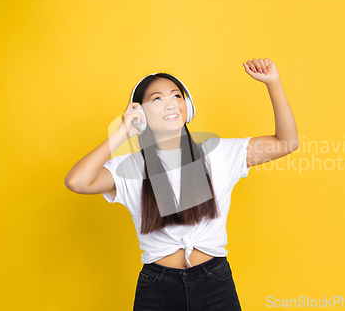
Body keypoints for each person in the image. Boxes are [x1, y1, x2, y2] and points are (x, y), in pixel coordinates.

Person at [64, 58, 299, 311]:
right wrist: (121, 131)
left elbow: (287, 143)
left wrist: (273, 82)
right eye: (157, 99)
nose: (170, 103)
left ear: (187, 106)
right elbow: (77, 181)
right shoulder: (129, 168)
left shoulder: (218, 153)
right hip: (157, 288)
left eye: (176, 95)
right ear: (139, 114)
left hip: (215, 283)